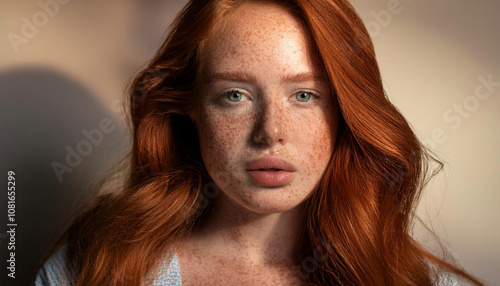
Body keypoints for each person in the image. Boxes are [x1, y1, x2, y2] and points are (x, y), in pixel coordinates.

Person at [34, 0, 484, 285]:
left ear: (346, 113)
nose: (271, 131)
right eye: (234, 95)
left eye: (305, 95)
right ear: (188, 107)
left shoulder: (421, 283)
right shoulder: (90, 272)